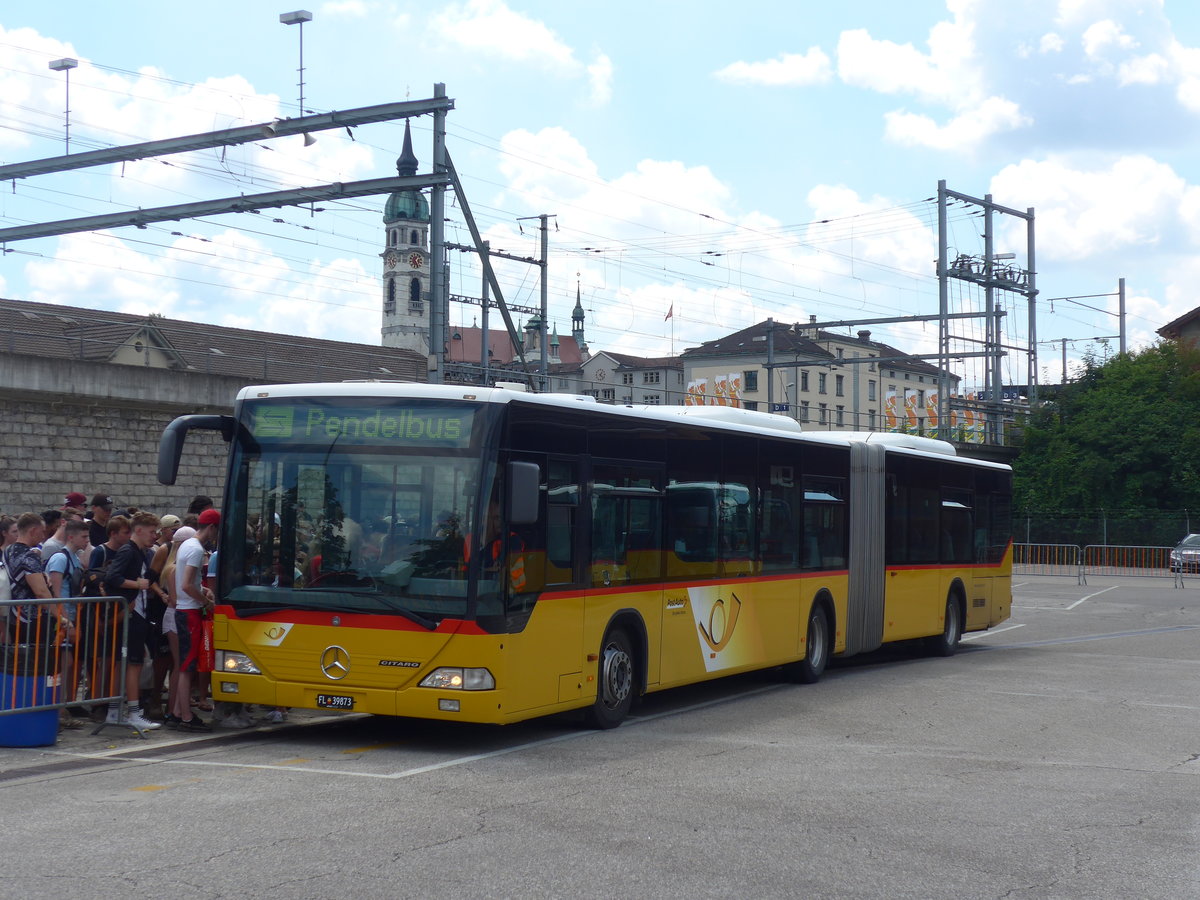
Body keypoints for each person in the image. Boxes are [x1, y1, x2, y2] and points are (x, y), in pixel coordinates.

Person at [102, 511, 162, 731]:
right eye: (151, 532)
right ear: (138, 530)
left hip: (136, 614)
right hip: (132, 615)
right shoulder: (130, 551)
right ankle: (132, 713)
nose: (154, 536)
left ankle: (115, 711)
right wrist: (136, 585)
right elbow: (112, 578)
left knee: (126, 663)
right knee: (133, 664)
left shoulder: (139, 552)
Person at [174, 511, 218, 732]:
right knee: (186, 667)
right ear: (211, 527)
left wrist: (203, 590)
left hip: (185, 609)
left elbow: (188, 581)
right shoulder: (197, 550)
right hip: (189, 611)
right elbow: (186, 584)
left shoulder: (187, 545)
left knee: (185, 664)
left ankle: (177, 712)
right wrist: (206, 601)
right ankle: (186, 716)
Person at [45, 519, 89, 728]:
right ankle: (58, 707)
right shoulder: (59, 559)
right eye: (84, 536)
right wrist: (61, 618)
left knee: (67, 663)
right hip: (61, 618)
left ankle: (61, 706)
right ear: (71, 536)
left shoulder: (75, 558)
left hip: (71, 616)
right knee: (63, 663)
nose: (87, 540)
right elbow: (55, 591)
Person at [158, 526, 194, 730]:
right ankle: (173, 709)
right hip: (175, 616)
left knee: (180, 665)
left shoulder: (175, 567)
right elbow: (175, 598)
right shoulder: (173, 569)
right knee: (180, 665)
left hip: (176, 616)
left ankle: (177, 708)